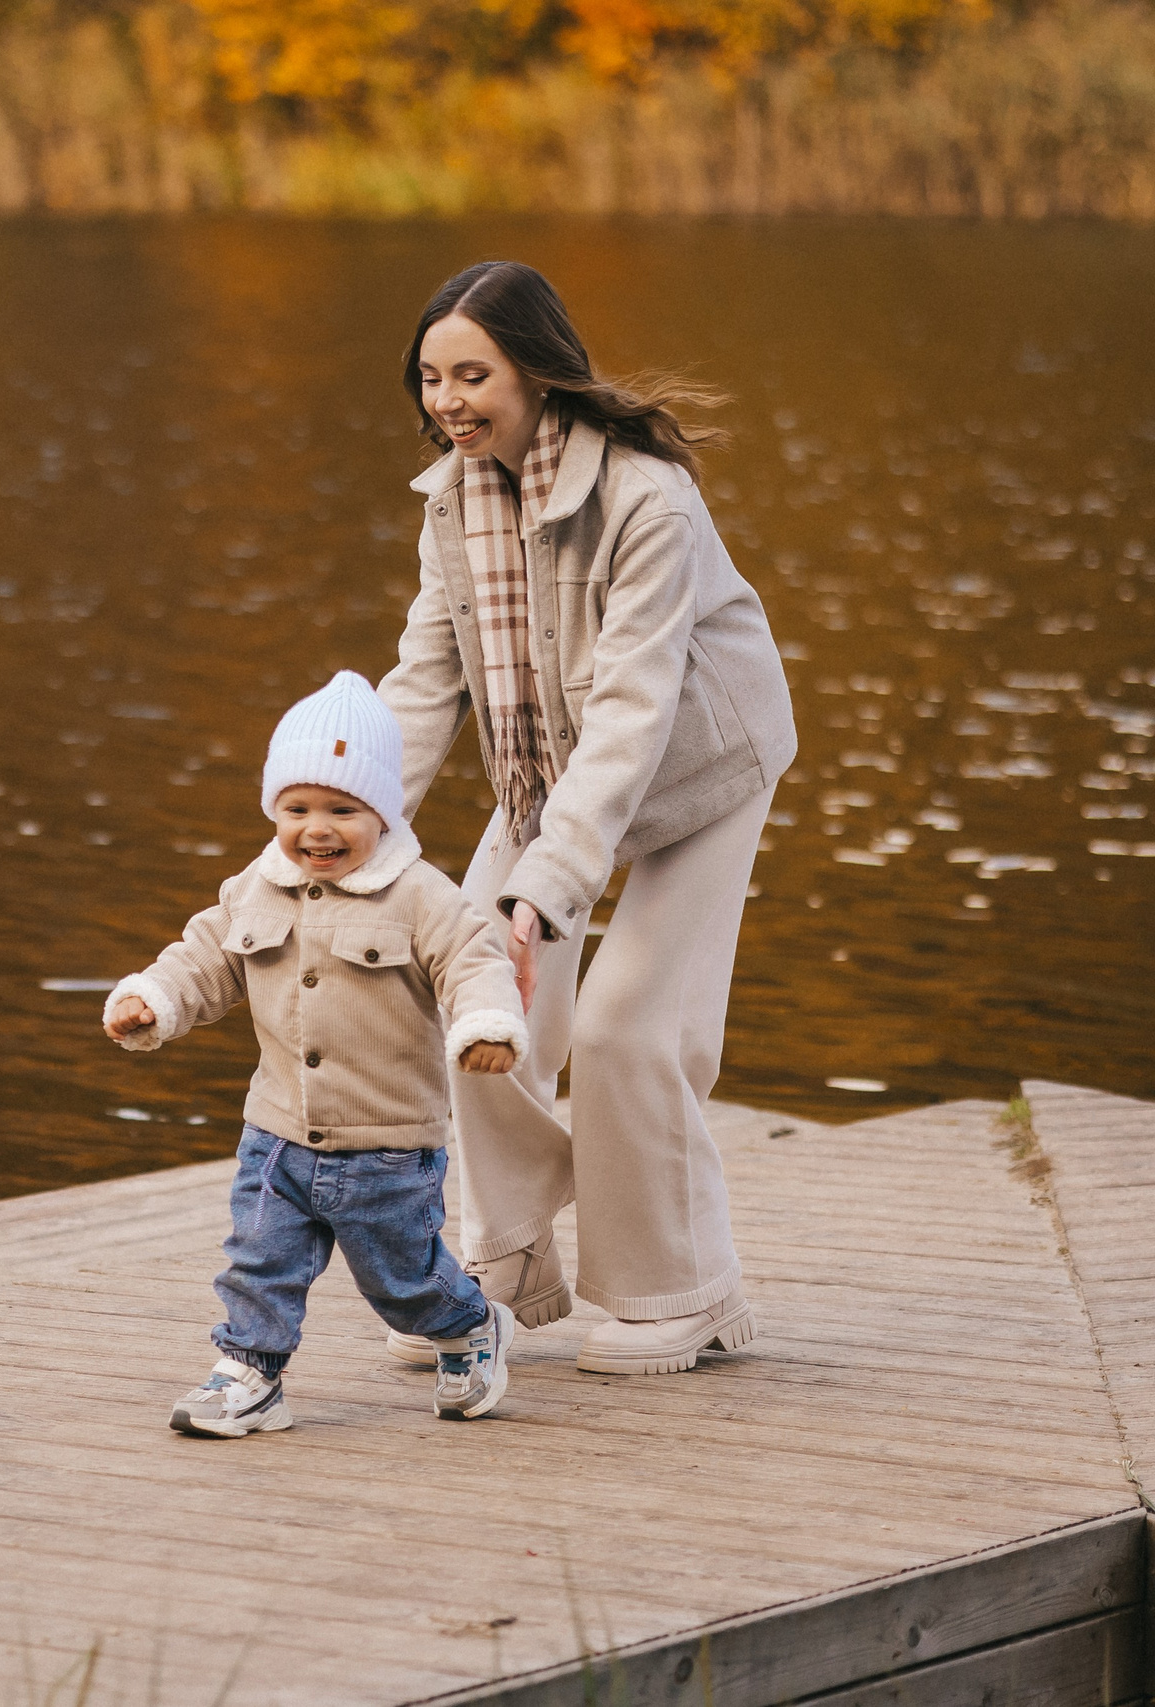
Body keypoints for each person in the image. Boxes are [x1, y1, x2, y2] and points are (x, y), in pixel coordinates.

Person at [378, 261, 799, 1377]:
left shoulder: (646, 498)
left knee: (623, 1028)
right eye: (431, 377)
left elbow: (633, 708)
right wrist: (344, 825)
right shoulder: (452, 506)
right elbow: (425, 681)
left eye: (473, 374)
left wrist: (545, 894)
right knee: (472, 995)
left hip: (700, 765)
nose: (449, 401)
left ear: (536, 370)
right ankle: (508, 1263)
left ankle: (682, 1291)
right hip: (549, 771)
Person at [101, 672, 532, 1435]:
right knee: (259, 1259)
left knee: (401, 1282)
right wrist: (154, 1000)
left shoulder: (420, 895)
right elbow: (204, 959)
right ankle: (249, 1373)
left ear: (384, 811)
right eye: (296, 809)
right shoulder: (254, 889)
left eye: (343, 809)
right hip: (277, 1134)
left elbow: (474, 960)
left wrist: (488, 1025)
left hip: (386, 1144)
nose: (317, 829)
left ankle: (468, 1325)